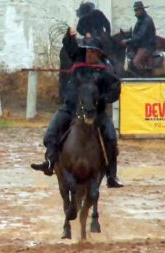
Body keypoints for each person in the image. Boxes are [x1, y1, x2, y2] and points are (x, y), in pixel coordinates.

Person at [30, 28, 123, 188]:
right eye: (88, 50)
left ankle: (111, 175)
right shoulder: (78, 59)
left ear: (99, 54)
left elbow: (115, 88)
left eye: (93, 52)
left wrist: (102, 100)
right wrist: (69, 36)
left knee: (111, 138)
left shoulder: (106, 71)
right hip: (71, 108)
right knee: (51, 133)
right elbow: (70, 46)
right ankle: (50, 162)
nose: (89, 54)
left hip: (96, 112)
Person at [121, 1, 156, 71]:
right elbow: (136, 35)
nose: (135, 12)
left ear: (141, 10)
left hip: (146, 46)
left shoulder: (146, 20)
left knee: (136, 62)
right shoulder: (141, 19)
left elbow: (140, 36)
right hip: (140, 46)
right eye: (135, 10)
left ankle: (144, 78)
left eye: (137, 10)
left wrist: (128, 41)